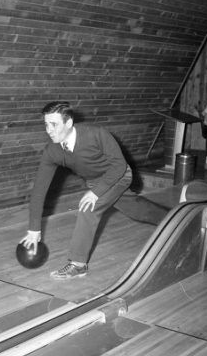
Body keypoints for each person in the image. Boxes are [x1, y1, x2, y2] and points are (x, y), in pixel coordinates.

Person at [20, 101, 132, 279]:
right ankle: (168, 217)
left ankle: (78, 265)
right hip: (95, 182)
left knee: (88, 208)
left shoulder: (96, 134)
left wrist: (95, 193)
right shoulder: (52, 151)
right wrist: (34, 229)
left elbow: (119, 166)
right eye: (46, 125)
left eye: (54, 124)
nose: (49, 130)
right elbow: (39, 191)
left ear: (69, 123)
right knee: (136, 208)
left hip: (119, 175)